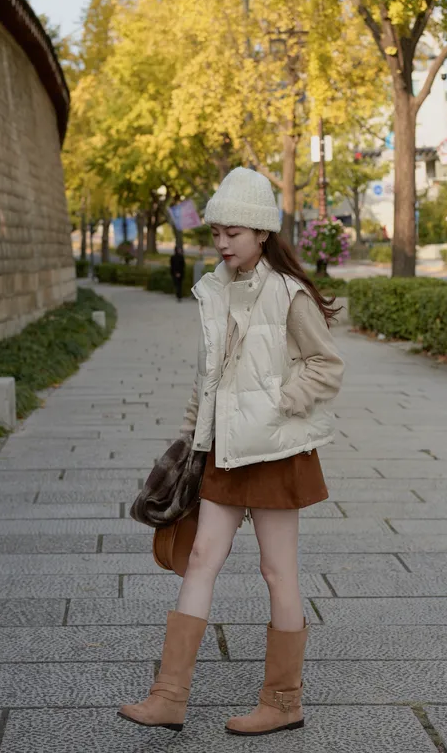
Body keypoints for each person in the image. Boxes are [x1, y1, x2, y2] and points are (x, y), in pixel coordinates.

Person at [118, 167, 345, 736]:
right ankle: (168, 697)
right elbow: (208, 377)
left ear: (262, 232)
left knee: (277, 571)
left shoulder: (288, 293)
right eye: (216, 232)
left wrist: (277, 403)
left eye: (233, 233)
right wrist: (190, 438)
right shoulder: (214, 289)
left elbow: (326, 366)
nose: (222, 243)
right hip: (222, 450)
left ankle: (284, 702)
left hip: (275, 451)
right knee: (199, 558)